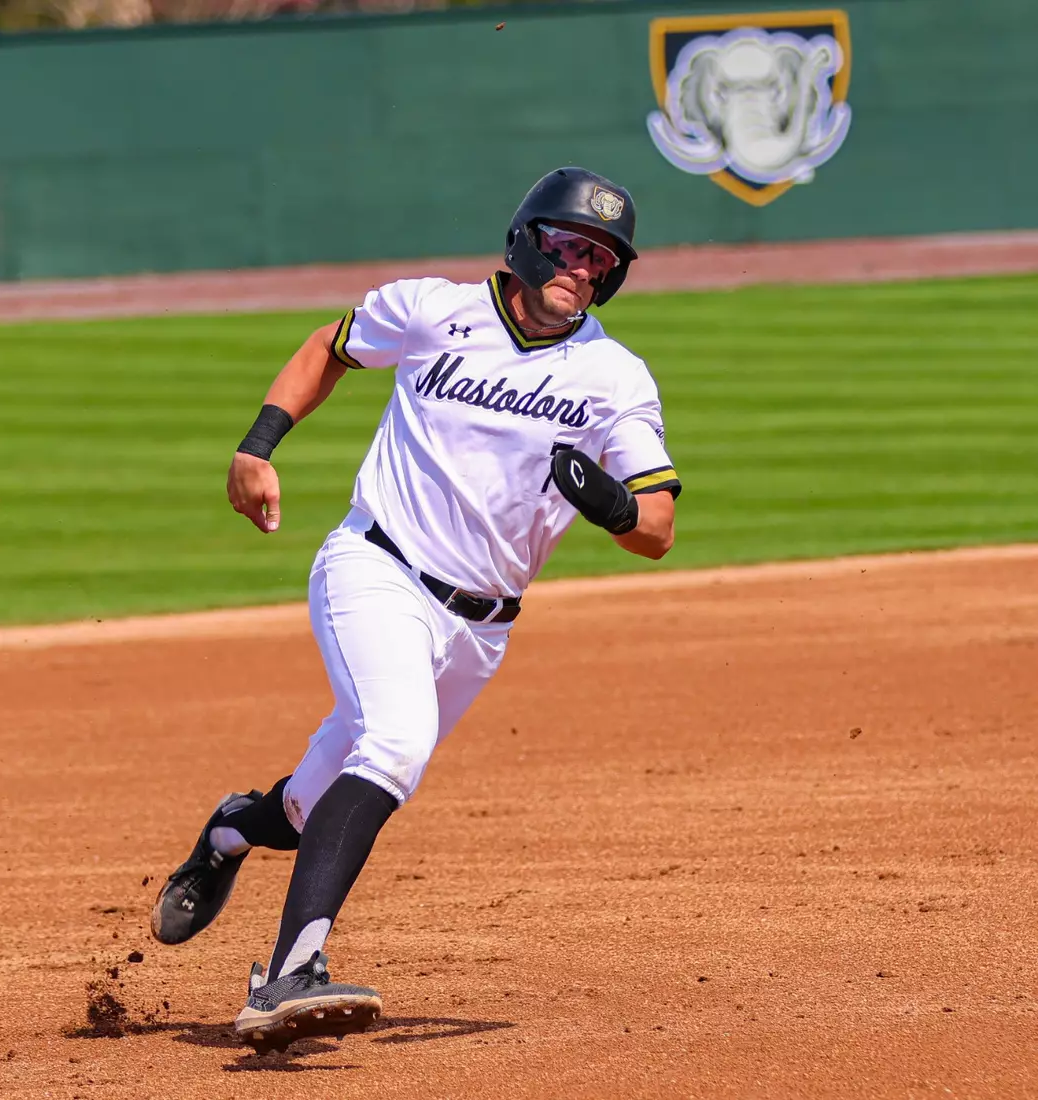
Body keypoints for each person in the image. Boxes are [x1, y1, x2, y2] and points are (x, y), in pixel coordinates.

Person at [149, 167, 681, 1052]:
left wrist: (612, 504)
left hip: (480, 630)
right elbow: (330, 346)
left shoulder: (613, 378)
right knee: (394, 746)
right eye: (569, 245)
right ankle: (289, 973)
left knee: (310, 806)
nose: (582, 268)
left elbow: (657, 529)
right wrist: (258, 445)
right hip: (377, 569)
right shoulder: (435, 310)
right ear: (527, 240)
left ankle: (229, 835)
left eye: (602, 259)